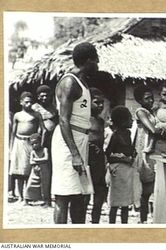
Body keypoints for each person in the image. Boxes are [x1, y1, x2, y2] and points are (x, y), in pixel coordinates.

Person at [51, 42, 99, 224]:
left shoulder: (82, 82)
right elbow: (63, 120)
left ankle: (77, 237)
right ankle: (60, 239)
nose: (98, 64)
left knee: (80, 195)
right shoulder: (69, 82)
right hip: (67, 142)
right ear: (88, 61)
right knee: (63, 196)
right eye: (96, 60)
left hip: (80, 139)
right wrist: (74, 154)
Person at [133, 84, 166, 223]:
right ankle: (143, 219)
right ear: (140, 100)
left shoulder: (153, 112)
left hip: (155, 150)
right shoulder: (140, 112)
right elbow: (153, 130)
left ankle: (157, 218)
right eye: (147, 98)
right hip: (145, 151)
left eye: (152, 98)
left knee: (157, 185)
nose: (151, 101)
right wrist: (164, 130)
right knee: (147, 188)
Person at [10, 91, 45, 202]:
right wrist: (10, 148)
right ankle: (20, 196)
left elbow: (43, 129)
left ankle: (29, 196)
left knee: (30, 170)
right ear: (21, 102)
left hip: (31, 144)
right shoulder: (17, 115)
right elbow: (13, 132)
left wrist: (40, 144)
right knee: (19, 172)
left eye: (30, 102)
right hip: (19, 143)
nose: (29, 104)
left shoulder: (36, 115)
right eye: (26, 102)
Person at [105, 106, 136, 224]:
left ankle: (124, 225)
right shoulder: (115, 135)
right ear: (122, 121)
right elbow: (108, 154)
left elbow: (130, 150)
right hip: (118, 172)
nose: (132, 121)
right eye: (130, 119)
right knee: (115, 202)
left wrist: (132, 155)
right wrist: (123, 159)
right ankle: (112, 225)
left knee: (125, 203)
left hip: (127, 172)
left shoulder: (128, 134)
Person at [84, 88, 108, 223]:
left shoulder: (100, 121)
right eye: (96, 102)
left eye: (102, 103)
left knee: (100, 193)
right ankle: (80, 223)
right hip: (87, 159)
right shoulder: (84, 119)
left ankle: (95, 223)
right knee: (86, 194)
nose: (100, 106)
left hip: (99, 161)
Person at [32, 84, 58, 206]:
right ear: (38, 97)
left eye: (47, 96)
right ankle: (40, 197)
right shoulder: (34, 108)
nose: (44, 98)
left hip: (52, 141)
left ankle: (49, 197)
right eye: (42, 96)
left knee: (50, 169)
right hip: (38, 142)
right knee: (39, 170)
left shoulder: (54, 109)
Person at [24, 133, 51, 207]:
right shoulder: (33, 152)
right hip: (35, 170)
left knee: (45, 185)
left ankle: (46, 201)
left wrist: (36, 160)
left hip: (45, 170)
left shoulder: (45, 149)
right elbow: (31, 162)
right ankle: (27, 199)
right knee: (30, 184)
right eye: (32, 144)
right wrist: (39, 160)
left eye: (36, 143)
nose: (34, 145)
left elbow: (46, 158)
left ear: (40, 142)